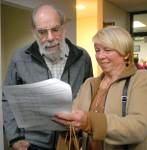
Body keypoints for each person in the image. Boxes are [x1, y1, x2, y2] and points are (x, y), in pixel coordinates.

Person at [3, 3, 93, 150]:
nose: (50, 37)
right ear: (34, 32)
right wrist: (14, 137)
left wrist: (84, 126)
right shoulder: (19, 57)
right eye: (42, 32)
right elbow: (7, 98)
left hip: (70, 141)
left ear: (64, 27)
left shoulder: (82, 57)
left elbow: (89, 96)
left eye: (55, 29)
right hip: (33, 144)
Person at [54, 26, 147, 150]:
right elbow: (74, 115)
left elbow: (139, 128)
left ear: (126, 54)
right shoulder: (89, 83)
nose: (100, 56)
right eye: (97, 50)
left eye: (107, 50)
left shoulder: (141, 79)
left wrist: (89, 122)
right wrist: (68, 120)